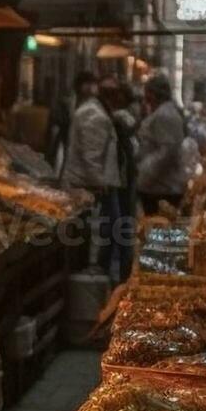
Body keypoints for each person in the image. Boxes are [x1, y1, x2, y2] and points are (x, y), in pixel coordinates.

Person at [61, 75, 123, 279]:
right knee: (103, 228)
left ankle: (95, 268)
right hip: (89, 184)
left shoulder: (98, 112)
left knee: (102, 228)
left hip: (93, 183)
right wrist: (99, 183)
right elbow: (91, 156)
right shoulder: (95, 116)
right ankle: (95, 270)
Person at [135, 75, 189, 214]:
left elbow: (167, 152)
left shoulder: (165, 115)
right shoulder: (163, 112)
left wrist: (144, 172)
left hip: (162, 187)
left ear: (153, 93)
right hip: (159, 185)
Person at [103, 79, 140, 279]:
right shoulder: (119, 118)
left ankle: (120, 270)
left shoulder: (119, 117)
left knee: (120, 225)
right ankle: (120, 270)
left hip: (123, 179)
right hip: (121, 179)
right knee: (120, 225)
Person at [47, 72, 96, 171]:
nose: (90, 88)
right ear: (79, 85)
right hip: (66, 141)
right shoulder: (66, 102)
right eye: (87, 84)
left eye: (92, 84)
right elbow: (56, 123)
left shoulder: (93, 103)